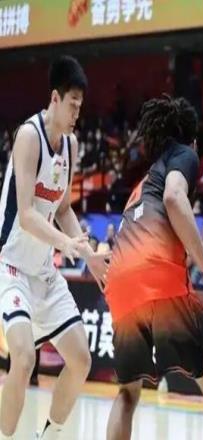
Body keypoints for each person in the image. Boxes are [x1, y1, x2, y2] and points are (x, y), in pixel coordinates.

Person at [104, 94, 203, 440]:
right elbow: (174, 197)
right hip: (157, 273)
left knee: (127, 392)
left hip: (119, 285)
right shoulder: (184, 154)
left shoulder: (141, 185)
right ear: (190, 140)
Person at [0, 56, 108, 439]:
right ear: (55, 98)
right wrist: (67, 245)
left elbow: (62, 209)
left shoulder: (71, 146)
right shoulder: (29, 137)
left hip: (43, 271)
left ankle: (48, 436)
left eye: (81, 105)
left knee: (80, 359)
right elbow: (27, 214)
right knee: (23, 357)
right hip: (11, 266)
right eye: (72, 104)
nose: (77, 112)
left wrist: (89, 254)